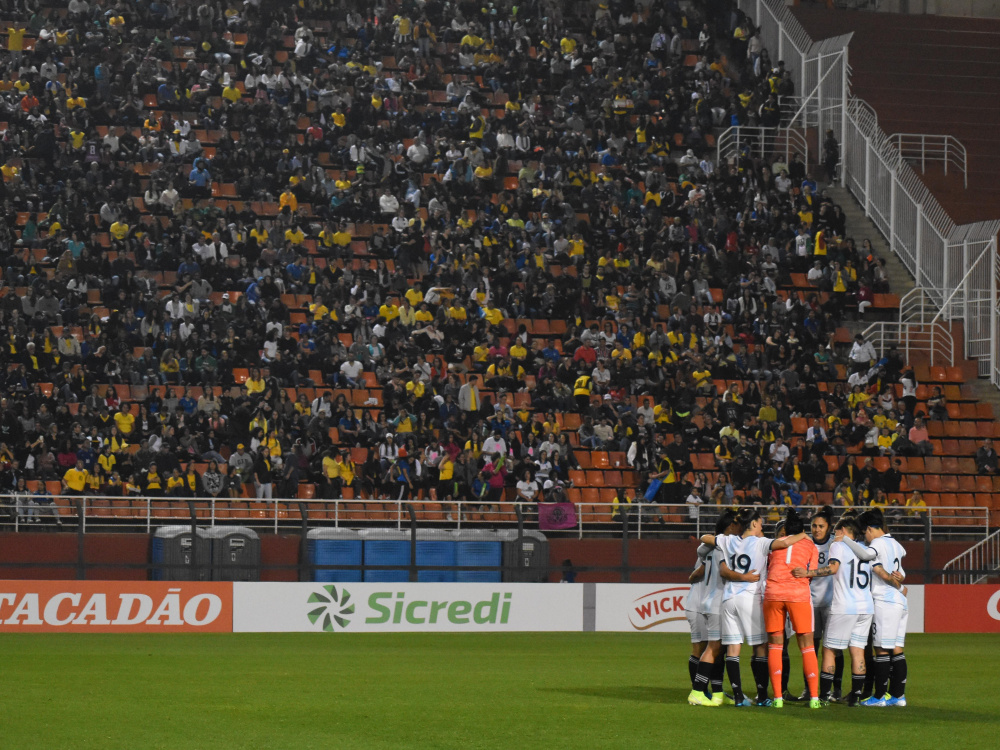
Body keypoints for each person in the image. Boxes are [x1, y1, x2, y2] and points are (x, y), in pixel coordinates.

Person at [690, 508, 807, 707]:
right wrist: (804, 534)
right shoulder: (761, 543)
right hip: (750, 597)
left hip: (729, 599)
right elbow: (785, 542)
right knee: (760, 647)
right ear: (753, 524)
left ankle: (737, 697)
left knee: (733, 649)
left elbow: (704, 537)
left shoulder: (728, 540)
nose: (762, 526)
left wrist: (717, 538)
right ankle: (762, 696)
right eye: (760, 522)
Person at [793, 516, 875, 706]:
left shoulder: (838, 546)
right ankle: (855, 697)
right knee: (857, 651)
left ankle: (823, 696)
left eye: (837, 531)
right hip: (865, 607)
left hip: (844, 606)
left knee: (829, 650)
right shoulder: (866, 549)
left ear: (844, 530)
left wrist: (808, 573)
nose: (835, 535)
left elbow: (833, 568)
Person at [761, 508, 822, 709]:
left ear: (785, 530)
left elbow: (768, 566)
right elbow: (810, 573)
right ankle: (814, 698)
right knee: (807, 646)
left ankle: (777, 698)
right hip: (798, 595)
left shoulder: (775, 544)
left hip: (773, 594)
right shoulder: (810, 545)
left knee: (775, 646)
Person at [857, 509, 909, 707]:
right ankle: (898, 696)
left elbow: (866, 554)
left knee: (881, 650)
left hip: (885, 601)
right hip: (899, 601)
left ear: (870, 529)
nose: (866, 537)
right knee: (896, 648)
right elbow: (901, 573)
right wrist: (901, 581)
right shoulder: (895, 544)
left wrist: (845, 540)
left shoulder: (877, 544)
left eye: (865, 533)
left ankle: (879, 697)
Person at [687, 511, 738, 707]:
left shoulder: (718, 548)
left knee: (717, 649)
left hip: (709, 602)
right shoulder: (714, 548)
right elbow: (694, 574)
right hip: (699, 604)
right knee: (702, 649)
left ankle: (715, 690)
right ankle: (700, 690)